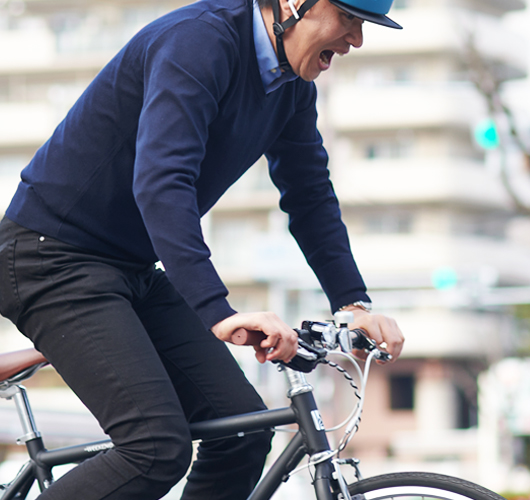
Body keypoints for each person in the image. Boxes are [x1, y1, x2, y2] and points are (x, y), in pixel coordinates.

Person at [0, 0, 405, 497]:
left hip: (130, 267)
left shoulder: (291, 87)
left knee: (244, 431)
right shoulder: (199, 42)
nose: (356, 40)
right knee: (154, 448)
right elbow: (162, 183)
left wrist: (352, 303)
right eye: (349, 19)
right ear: (295, 4)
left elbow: (310, 195)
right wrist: (218, 311)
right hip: (52, 257)